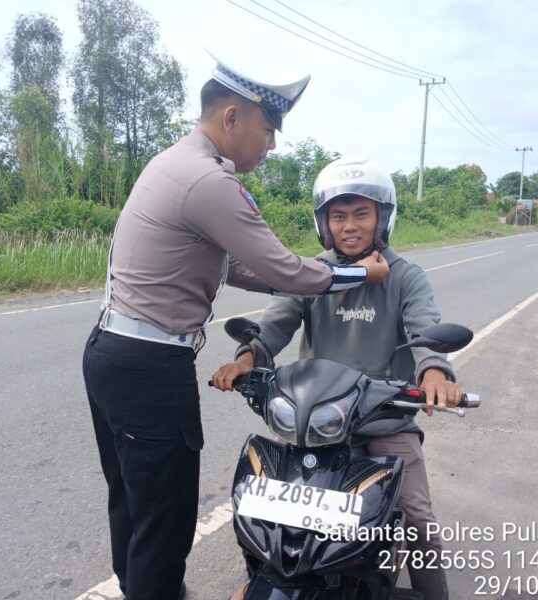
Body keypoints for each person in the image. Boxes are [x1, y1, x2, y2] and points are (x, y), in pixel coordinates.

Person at [81, 53, 390, 600]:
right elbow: (279, 267)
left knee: (132, 504)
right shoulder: (208, 181)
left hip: (114, 352)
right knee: (166, 519)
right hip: (150, 368)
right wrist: (353, 272)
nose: (270, 145)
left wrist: (299, 279)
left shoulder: (173, 163)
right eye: (267, 130)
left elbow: (240, 267)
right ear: (232, 119)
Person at [212, 157, 463, 600]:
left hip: (385, 423)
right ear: (324, 223)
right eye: (339, 215)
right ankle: (263, 580)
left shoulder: (405, 278)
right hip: (317, 427)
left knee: (418, 515)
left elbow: (425, 331)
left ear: (382, 217)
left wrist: (435, 371)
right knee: (268, 509)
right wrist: (249, 356)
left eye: (361, 214)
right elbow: (275, 324)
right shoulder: (316, 275)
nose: (350, 226)